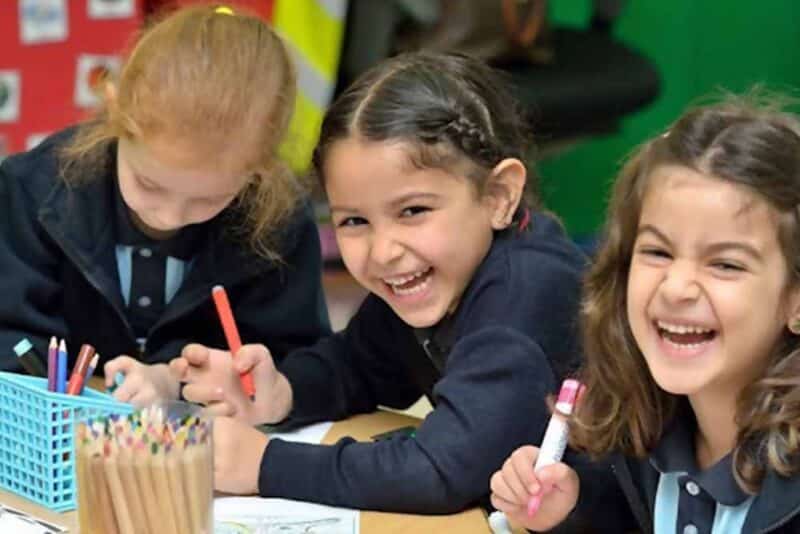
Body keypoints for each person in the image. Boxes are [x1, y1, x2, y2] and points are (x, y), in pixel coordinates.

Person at [172, 51, 587, 513]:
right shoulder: (435, 277)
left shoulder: (524, 295)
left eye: (413, 211)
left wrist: (263, 464)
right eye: (353, 221)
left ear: (498, 196)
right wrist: (280, 392)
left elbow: (441, 472)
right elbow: (359, 363)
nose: (383, 250)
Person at [490, 95, 800, 532]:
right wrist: (569, 511)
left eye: (725, 264)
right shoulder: (642, 428)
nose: (675, 288)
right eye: (657, 251)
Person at [0, 5, 330, 406]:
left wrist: (176, 382)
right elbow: (11, 339)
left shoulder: (279, 220)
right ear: (115, 112)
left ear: (260, 170)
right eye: (149, 184)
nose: (168, 216)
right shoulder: (33, 190)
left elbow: (296, 362)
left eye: (210, 199)